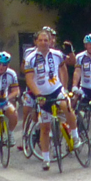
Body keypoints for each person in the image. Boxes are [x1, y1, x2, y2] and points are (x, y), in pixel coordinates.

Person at [24, 27, 80, 171]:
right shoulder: (30, 59)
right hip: (42, 94)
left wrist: (65, 86)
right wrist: (38, 95)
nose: (44, 43)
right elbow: (29, 79)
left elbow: (68, 65)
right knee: (45, 128)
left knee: (66, 105)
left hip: (56, 89)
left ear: (50, 41)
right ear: (36, 42)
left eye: (46, 40)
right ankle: (46, 158)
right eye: (41, 40)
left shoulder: (56, 54)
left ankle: (75, 136)